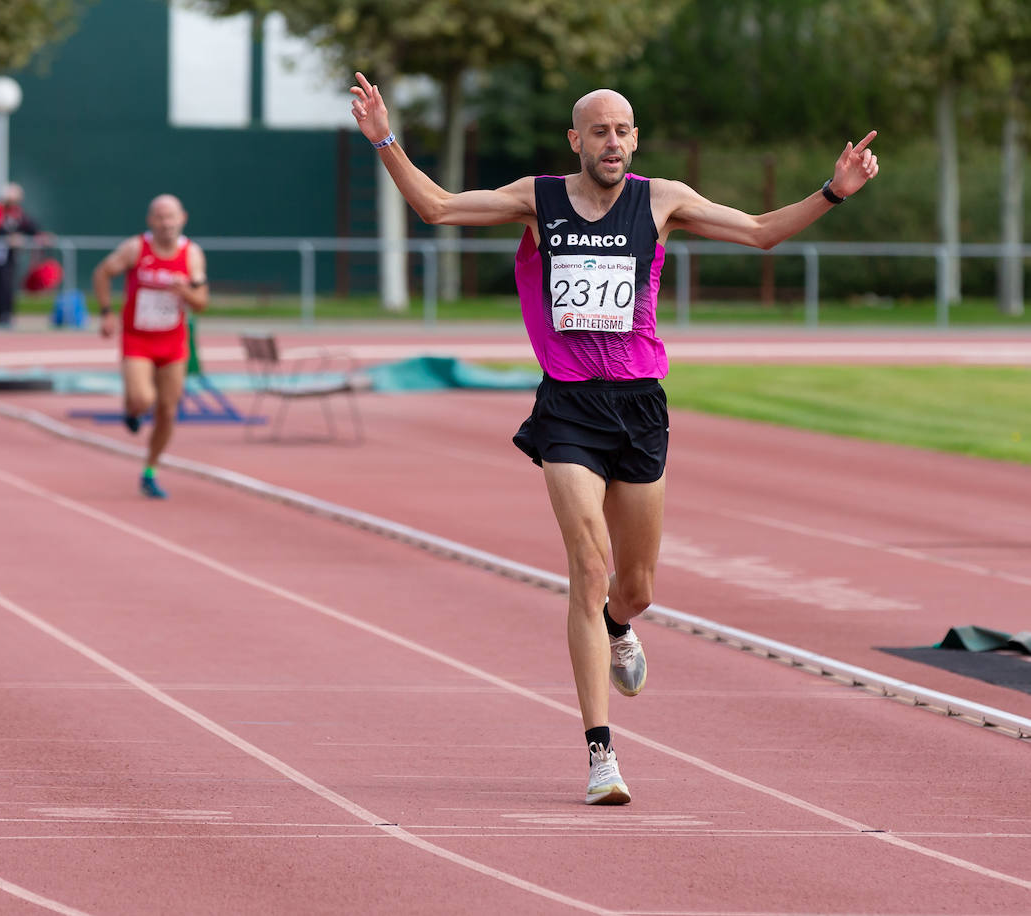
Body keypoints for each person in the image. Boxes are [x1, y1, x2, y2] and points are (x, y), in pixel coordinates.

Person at [349, 73, 879, 804]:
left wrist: (835, 190)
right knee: (588, 565)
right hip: (567, 407)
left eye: (623, 130)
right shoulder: (537, 198)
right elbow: (436, 207)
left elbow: (759, 231)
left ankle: (618, 626)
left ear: (635, 138)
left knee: (635, 588)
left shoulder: (662, 200)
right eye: (599, 131)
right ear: (576, 140)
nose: (613, 142)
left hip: (640, 408)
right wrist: (383, 135)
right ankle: (602, 755)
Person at [92, 194, 209, 499]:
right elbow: (102, 272)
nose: (166, 223)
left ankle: (150, 470)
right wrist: (106, 313)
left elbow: (202, 303)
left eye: (171, 217)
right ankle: (131, 408)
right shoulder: (136, 248)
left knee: (168, 411)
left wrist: (185, 290)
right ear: (150, 221)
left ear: (183, 218)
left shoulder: (192, 254)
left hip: (172, 342)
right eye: (159, 217)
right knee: (143, 399)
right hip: (138, 339)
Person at [0, 182, 41, 329]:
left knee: (9, 284)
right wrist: (8, 237)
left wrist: (38, 236)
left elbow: (30, 227)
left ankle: (7, 315)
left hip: (12, 255)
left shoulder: (18, 212)